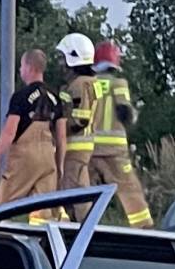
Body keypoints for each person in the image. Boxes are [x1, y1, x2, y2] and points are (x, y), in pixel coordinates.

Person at [58, 32, 153, 226]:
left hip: (86, 147)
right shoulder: (118, 84)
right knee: (129, 189)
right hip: (114, 150)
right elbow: (125, 112)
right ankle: (144, 227)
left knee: (79, 190)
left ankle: (77, 225)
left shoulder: (86, 84)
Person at [0, 47, 65, 218]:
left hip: (25, 157)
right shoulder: (55, 97)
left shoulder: (21, 96)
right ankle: (43, 234)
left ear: (30, 67)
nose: (20, 70)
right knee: (43, 210)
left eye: (22, 66)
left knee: (1, 207)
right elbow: (61, 137)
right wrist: (59, 165)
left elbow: (9, 132)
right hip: (47, 157)